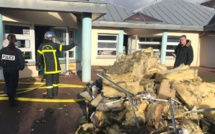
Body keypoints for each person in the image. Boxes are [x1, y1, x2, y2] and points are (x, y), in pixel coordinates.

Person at [36, 31, 78, 98]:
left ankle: (49, 94)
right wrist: (73, 44)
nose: (53, 39)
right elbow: (65, 47)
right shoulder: (55, 45)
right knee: (55, 81)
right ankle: (55, 93)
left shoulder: (41, 46)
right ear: (49, 38)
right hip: (56, 68)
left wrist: (37, 64)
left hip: (48, 68)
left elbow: (38, 57)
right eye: (52, 38)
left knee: (49, 82)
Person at [0, 34, 25, 106]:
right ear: (14, 42)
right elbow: (21, 62)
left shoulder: (3, 50)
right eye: (16, 41)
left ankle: (10, 98)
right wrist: (20, 68)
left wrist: (2, 66)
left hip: (6, 70)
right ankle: (12, 100)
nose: (16, 43)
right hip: (14, 71)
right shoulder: (17, 51)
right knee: (13, 85)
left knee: (8, 84)